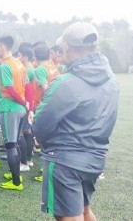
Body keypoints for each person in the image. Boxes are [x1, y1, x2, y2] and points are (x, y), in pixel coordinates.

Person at [32, 22, 119, 220]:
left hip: (65, 161)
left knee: (68, 216)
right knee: (85, 209)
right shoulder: (111, 79)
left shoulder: (65, 83)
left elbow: (40, 125)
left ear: (66, 47)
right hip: (95, 158)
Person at [0, 36, 33, 191]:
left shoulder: (5, 65)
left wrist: (24, 103)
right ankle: (15, 173)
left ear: (3, 47)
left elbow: (10, 90)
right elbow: (29, 87)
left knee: (10, 144)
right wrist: (29, 108)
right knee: (16, 141)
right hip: (21, 109)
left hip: (10, 108)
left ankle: (16, 182)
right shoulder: (19, 63)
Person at [17, 46, 37, 171]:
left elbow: (27, 89)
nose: (18, 58)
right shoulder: (32, 69)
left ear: (24, 56)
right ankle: (28, 160)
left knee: (22, 134)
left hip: (26, 104)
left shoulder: (26, 70)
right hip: (31, 104)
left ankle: (24, 162)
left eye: (19, 55)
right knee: (27, 132)